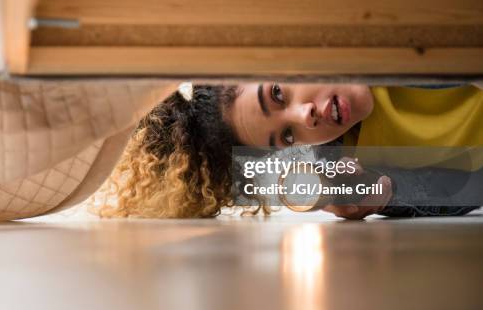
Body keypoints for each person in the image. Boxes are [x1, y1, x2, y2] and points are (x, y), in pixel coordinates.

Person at [96, 83, 482, 219]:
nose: (306, 117)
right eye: (287, 137)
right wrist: (391, 194)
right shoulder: (350, 163)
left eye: (278, 93)